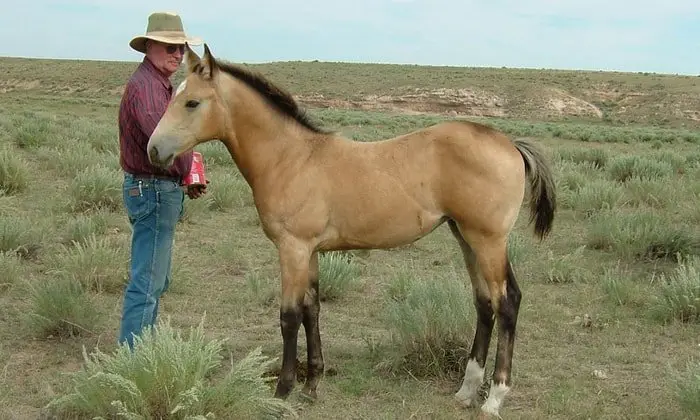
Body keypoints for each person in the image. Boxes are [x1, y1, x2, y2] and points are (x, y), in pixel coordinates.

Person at [117, 11, 206, 349]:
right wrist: (189, 170)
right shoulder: (148, 87)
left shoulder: (157, 85)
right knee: (147, 280)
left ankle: (140, 350)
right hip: (153, 188)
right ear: (150, 45)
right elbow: (163, 141)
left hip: (154, 188)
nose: (177, 55)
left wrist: (189, 168)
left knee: (154, 278)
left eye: (181, 48)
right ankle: (133, 359)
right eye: (170, 47)